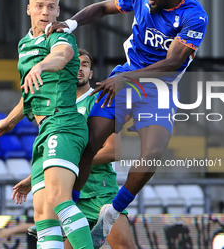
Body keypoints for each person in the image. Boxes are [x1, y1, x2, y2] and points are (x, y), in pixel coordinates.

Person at [46, 0, 208, 246]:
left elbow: (174, 62)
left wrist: (128, 78)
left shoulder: (194, 16)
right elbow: (101, 7)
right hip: (127, 75)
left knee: (153, 153)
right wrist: (72, 23)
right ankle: (70, 211)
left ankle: (111, 212)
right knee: (89, 142)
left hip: (158, 87)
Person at [0, 0, 93, 248]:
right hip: (44, 130)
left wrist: (42, 66)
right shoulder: (24, 44)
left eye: (51, 7)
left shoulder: (60, 36)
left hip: (64, 122)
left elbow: (61, 55)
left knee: (59, 198)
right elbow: (29, 94)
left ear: (58, 11)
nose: (45, 12)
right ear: (29, 9)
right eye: (39, 6)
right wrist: (9, 121)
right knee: (44, 215)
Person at [12, 49, 137, 249]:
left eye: (85, 65)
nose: (79, 68)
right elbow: (55, 153)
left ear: (91, 74)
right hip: (70, 197)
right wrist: (35, 177)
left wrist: (70, 163)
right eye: (75, 64)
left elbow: (113, 151)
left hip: (99, 192)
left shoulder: (100, 101)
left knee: (124, 246)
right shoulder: (58, 106)